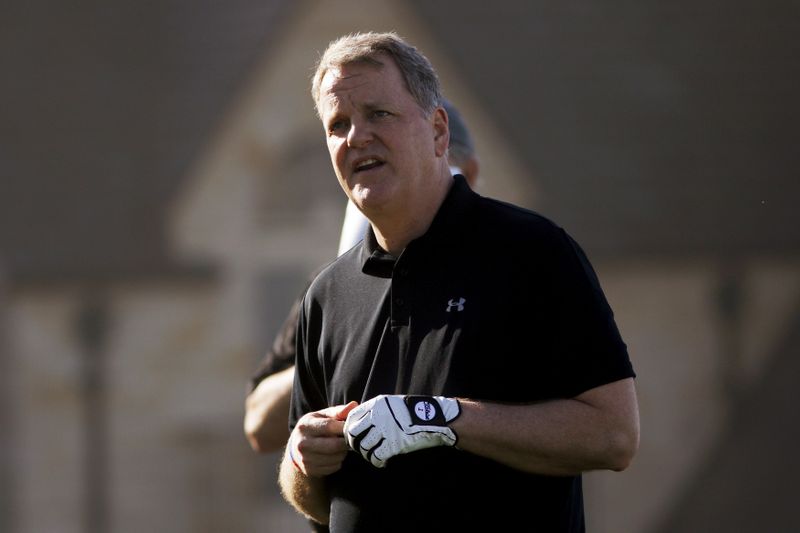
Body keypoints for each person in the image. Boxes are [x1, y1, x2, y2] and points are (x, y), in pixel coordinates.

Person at [280, 31, 640, 532]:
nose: (356, 136)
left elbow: (614, 436)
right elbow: (317, 502)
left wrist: (441, 417)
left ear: (438, 131)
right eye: (338, 124)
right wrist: (300, 458)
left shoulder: (531, 251)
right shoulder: (326, 294)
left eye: (378, 114)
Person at [244, 99, 480, 455]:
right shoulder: (331, 287)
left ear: (468, 174)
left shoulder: (513, 264)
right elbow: (259, 425)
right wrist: (346, 345)